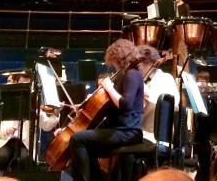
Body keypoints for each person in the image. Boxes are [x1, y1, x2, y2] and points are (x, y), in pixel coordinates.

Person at [66, 38, 150, 181]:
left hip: (128, 131)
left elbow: (125, 104)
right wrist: (87, 105)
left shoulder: (132, 74)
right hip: (119, 129)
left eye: (115, 62)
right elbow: (110, 106)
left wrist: (109, 88)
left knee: (77, 139)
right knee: (85, 144)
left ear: (120, 58)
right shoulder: (125, 74)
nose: (114, 66)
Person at [137, 45, 179, 141]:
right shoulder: (144, 81)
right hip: (143, 133)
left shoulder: (165, 78)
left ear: (150, 62)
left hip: (152, 136)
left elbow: (172, 105)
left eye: (138, 65)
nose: (136, 69)